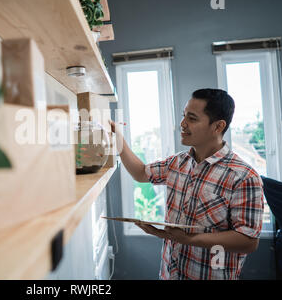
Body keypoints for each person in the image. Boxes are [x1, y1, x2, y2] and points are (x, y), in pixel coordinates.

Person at [110, 88, 264, 280]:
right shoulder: (177, 163)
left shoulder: (243, 176)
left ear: (218, 126)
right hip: (169, 275)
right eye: (184, 116)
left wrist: (188, 239)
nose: (182, 124)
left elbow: (248, 240)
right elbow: (141, 173)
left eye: (192, 118)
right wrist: (118, 139)